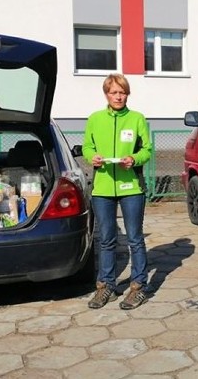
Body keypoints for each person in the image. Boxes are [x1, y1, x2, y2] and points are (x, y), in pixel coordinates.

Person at [82, 73, 153, 310]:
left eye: (122, 92)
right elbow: (87, 146)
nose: (118, 96)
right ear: (107, 94)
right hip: (102, 188)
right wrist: (93, 157)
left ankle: (138, 287)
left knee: (135, 238)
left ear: (127, 94)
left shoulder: (136, 119)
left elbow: (148, 150)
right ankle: (106, 288)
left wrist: (134, 158)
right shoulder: (95, 119)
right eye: (114, 92)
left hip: (131, 187)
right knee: (106, 240)